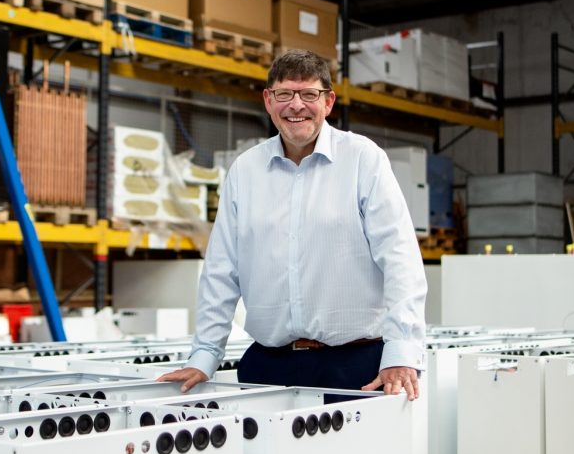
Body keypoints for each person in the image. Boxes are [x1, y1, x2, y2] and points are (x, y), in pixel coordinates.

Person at [158, 49, 427, 400]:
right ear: (268, 101)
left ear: (328, 102)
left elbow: (401, 261)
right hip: (267, 367)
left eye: (309, 94)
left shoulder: (363, 160)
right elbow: (221, 270)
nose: (296, 105)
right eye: (284, 94)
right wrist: (205, 355)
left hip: (357, 367)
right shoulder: (245, 171)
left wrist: (401, 353)